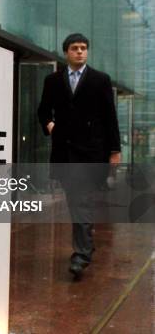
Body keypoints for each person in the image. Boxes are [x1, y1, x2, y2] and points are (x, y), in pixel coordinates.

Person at [38, 33, 121, 279]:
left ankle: (81, 255)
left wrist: (114, 151)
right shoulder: (53, 80)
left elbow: (110, 118)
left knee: (80, 200)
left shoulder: (100, 80)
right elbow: (43, 110)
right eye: (75, 48)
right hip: (65, 151)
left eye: (84, 48)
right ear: (66, 52)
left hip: (92, 152)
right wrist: (51, 126)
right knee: (77, 199)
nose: (80, 52)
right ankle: (87, 244)